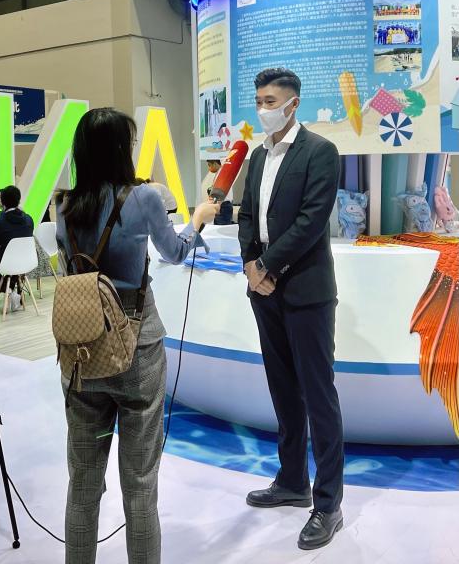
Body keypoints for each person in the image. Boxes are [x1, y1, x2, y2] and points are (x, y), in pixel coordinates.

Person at [55, 107, 219, 564]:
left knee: (83, 483)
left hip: (81, 350)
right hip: (137, 344)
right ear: (119, 150)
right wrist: (198, 219)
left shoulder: (63, 204)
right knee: (141, 483)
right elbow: (175, 252)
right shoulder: (144, 197)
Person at [237, 68, 344, 551]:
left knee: (318, 395)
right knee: (282, 388)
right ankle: (293, 481)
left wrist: (268, 265)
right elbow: (246, 214)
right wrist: (250, 264)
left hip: (305, 290)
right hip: (263, 289)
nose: (263, 108)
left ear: (292, 104)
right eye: (259, 100)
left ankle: (328, 503)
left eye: (270, 101)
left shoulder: (320, 151)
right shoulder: (258, 155)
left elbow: (311, 220)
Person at [0, 185, 34, 311]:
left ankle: (10, 291)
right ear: (19, 200)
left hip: (8, 263)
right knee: (13, 266)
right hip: (27, 262)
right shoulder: (29, 219)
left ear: (3, 202)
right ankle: (12, 292)